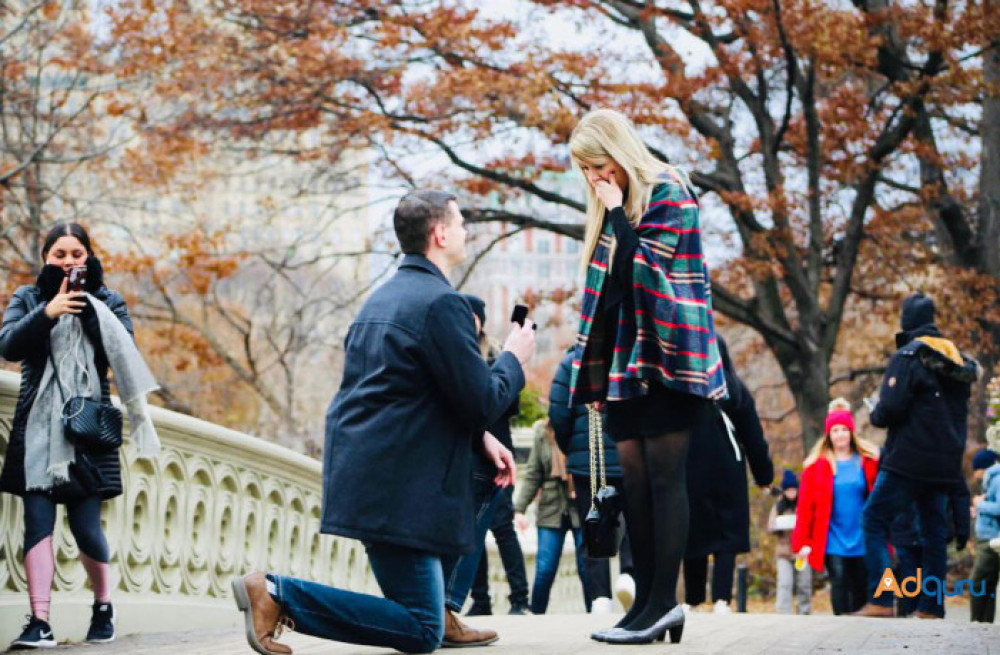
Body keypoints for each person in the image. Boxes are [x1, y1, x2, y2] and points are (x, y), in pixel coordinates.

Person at [231, 190, 536, 655]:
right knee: (418, 631)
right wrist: (514, 359)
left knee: (486, 476)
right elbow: (481, 400)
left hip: (374, 474)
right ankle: (276, 594)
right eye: (460, 222)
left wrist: (481, 439)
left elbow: (412, 394)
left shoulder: (383, 299)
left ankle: (445, 609)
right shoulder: (441, 304)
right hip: (399, 488)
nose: (466, 231)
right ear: (440, 233)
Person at [567, 109, 727, 646]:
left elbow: (647, 278)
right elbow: (606, 298)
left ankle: (665, 602)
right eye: (586, 171)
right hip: (621, 366)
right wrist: (591, 378)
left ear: (620, 149)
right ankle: (643, 613)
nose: (595, 179)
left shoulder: (670, 192)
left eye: (598, 164)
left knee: (664, 480)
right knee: (632, 481)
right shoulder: (614, 206)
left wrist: (615, 215)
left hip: (669, 358)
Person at [1, 222, 160, 649]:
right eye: (59, 254)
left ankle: (103, 606)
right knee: (37, 523)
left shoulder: (109, 300)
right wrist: (48, 312)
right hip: (37, 429)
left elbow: (123, 354)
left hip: (88, 429)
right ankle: (39, 621)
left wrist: (90, 312)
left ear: (87, 257)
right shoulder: (28, 298)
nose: (68, 262)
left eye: (76, 254)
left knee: (87, 526)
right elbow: (8, 346)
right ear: (46, 258)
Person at [854, 293, 979, 619]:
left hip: (908, 459)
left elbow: (890, 409)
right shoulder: (956, 362)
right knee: (933, 532)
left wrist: (876, 413)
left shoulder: (908, 356)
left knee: (873, 518)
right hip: (945, 463)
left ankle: (881, 599)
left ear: (906, 321)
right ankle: (931, 607)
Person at [451, 294, 530, 619]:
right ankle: (479, 599)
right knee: (472, 529)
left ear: (481, 320)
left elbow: (510, 404)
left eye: (473, 316)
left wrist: (504, 371)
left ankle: (520, 600)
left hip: (498, 453)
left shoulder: (497, 353)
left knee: (502, 525)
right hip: (467, 452)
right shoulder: (455, 350)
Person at [683, 336, 773, 615]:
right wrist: (764, 475)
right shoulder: (735, 391)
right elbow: (754, 437)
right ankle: (722, 599)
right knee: (726, 534)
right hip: (728, 470)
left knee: (693, 533)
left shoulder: (686, 391)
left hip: (691, 469)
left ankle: (693, 600)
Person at [548, 346, 634, 614]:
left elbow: (559, 415)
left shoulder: (570, 364)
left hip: (588, 461)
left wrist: (571, 449)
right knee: (632, 522)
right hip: (629, 455)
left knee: (593, 524)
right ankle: (629, 576)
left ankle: (599, 598)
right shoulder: (627, 354)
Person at [791, 399, 880, 616]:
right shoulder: (816, 467)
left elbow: (878, 498)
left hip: (861, 537)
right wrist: (802, 542)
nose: (840, 434)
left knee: (860, 587)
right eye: (835, 430)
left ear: (851, 432)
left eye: (844, 430)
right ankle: (840, 625)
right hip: (832, 538)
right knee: (839, 582)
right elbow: (805, 508)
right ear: (829, 435)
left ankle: (860, 630)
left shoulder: (867, 461)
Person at [513, 419, 588, 614]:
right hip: (551, 507)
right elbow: (533, 473)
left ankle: (594, 614)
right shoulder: (543, 432)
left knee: (587, 568)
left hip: (581, 506)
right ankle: (537, 615)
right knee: (545, 570)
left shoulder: (584, 428)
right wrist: (519, 508)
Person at [769, 470, 811, 615]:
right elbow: (770, 526)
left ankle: (804, 612)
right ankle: (783, 613)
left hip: (802, 552)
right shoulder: (779, 507)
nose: (792, 493)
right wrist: (779, 524)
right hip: (784, 551)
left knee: (804, 584)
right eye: (789, 490)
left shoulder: (804, 505)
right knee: (784, 583)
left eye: (794, 490)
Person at [971, 446, 1000, 623]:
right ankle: (984, 621)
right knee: (988, 583)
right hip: (988, 536)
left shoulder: (997, 479)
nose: (974, 475)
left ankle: (976, 620)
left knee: (977, 580)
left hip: (992, 539)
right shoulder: (992, 480)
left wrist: (979, 504)